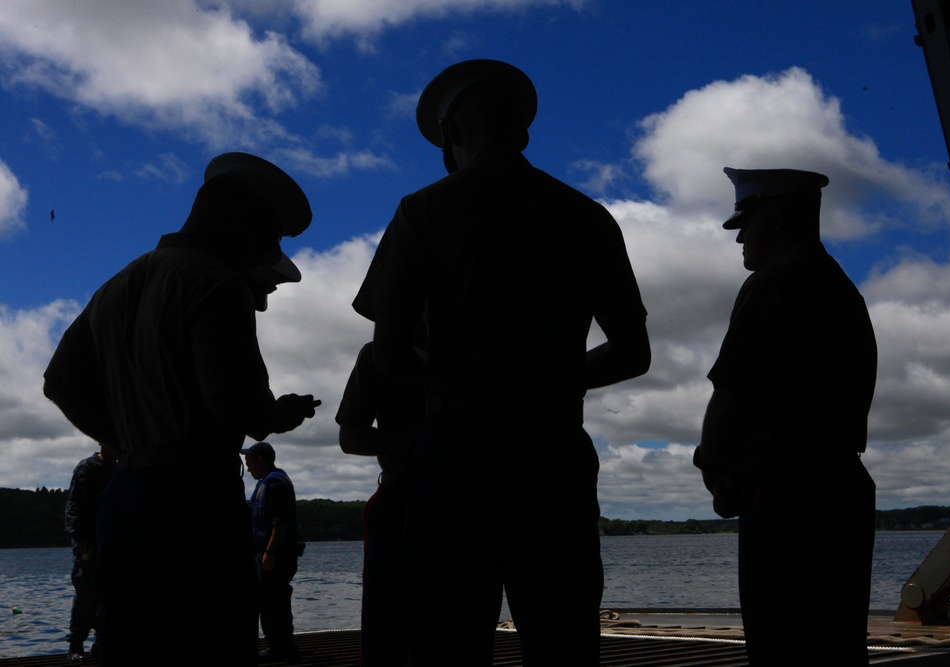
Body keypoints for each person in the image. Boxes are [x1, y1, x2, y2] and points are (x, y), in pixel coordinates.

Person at [353, 59, 651, 666]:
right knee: (563, 636)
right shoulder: (586, 215)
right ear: (522, 131)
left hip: (455, 451)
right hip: (552, 449)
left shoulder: (422, 211)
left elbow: (387, 352)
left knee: (446, 639)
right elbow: (633, 352)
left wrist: (452, 379)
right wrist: (548, 380)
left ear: (453, 136)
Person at [42, 152, 322, 667]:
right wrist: (278, 414)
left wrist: (129, 441)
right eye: (272, 233)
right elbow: (237, 406)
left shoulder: (119, 283)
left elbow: (60, 381)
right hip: (195, 502)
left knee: (127, 645)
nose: (270, 249)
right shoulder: (216, 282)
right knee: (210, 643)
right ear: (241, 219)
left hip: (125, 497)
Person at [694, 168, 877, 665]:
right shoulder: (843, 291)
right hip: (841, 486)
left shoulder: (773, 285)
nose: (740, 240)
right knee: (835, 643)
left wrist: (711, 463)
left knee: (780, 643)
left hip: (785, 489)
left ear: (773, 219)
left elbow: (730, 394)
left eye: (745, 225)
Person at [336, 341, 424, 667]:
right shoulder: (377, 353)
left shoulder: (378, 353)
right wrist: (420, 437)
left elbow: (350, 436)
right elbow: (351, 437)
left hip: (400, 497)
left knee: (386, 627)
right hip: (404, 499)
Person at [242, 441, 302, 662]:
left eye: (249, 463)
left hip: (275, 556)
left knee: (273, 604)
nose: (248, 468)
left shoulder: (275, 484)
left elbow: (281, 523)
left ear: (261, 460)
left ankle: (283, 649)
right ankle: (282, 646)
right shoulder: (265, 482)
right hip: (266, 554)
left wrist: (270, 552)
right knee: (271, 603)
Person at [64, 444, 118, 663]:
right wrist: (81, 539)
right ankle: (76, 645)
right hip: (88, 542)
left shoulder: (119, 470)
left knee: (111, 595)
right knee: (86, 593)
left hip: (111, 541)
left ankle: (100, 643)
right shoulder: (87, 467)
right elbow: (74, 506)